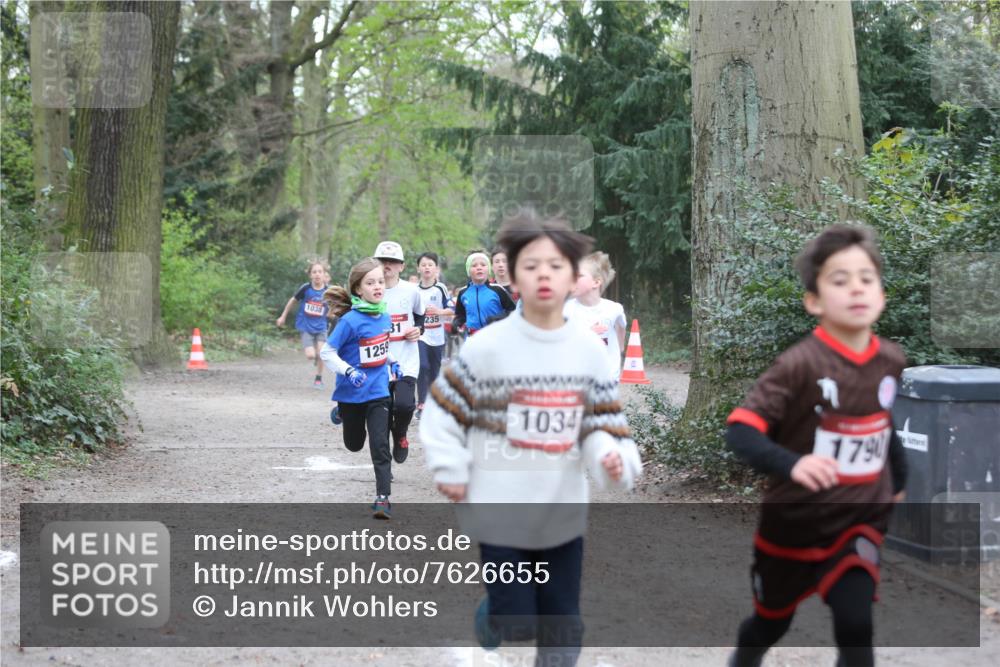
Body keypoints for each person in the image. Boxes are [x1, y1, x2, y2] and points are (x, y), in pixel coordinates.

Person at [420, 210, 642, 666]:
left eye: (556, 265)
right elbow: (443, 411)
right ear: (513, 279)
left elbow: (603, 424)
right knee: (518, 620)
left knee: (562, 620)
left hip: (562, 511)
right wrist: (450, 467)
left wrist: (612, 458)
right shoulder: (488, 348)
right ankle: (498, 612)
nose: (544, 274)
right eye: (531, 265)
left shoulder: (588, 351)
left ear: (573, 279)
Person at [725, 224, 908, 667]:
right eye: (840, 280)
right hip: (792, 525)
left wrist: (900, 481)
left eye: (866, 278)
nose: (856, 288)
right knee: (770, 623)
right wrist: (793, 464)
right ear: (814, 301)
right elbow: (741, 431)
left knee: (855, 626)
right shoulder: (798, 365)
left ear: (881, 295)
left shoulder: (891, 359)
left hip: (859, 521)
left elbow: (882, 423)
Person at [320, 258, 400, 520]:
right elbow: (327, 352)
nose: (378, 286)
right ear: (358, 289)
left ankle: (382, 498)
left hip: (378, 390)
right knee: (354, 444)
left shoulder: (384, 315)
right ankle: (342, 413)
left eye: (380, 281)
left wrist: (392, 362)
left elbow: (380, 347)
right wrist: (349, 371)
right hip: (351, 393)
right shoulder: (350, 322)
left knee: (380, 444)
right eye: (370, 283)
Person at [373, 241, 424, 465]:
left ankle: (401, 433)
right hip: (378, 361)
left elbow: (420, 316)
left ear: (401, 266)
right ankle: (384, 469)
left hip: (406, 359)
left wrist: (418, 329)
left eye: (393, 262)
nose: (387, 265)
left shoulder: (411, 291)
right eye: (383, 261)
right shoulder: (369, 291)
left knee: (404, 406)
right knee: (381, 415)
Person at [564, 251, 627, 382]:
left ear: (596, 282)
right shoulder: (565, 310)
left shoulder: (614, 309)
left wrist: (620, 348)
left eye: (579, 275)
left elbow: (621, 326)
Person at [276, 261, 330, 388]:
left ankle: (318, 379)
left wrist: (332, 313)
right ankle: (316, 357)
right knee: (311, 355)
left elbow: (335, 306)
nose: (317, 274)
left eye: (320, 272)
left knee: (322, 353)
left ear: (324, 274)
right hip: (306, 326)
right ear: (310, 275)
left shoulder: (328, 291)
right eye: (314, 272)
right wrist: (283, 316)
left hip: (321, 326)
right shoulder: (306, 288)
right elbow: (293, 301)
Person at [415, 252, 453, 420]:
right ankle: (422, 404)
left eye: (430, 265)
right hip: (421, 335)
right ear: (418, 268)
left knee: (434, 371)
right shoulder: (414, 290)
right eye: (423, 265)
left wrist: (439, 311)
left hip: (437, 336)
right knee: (422, 366)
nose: (427, 268)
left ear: (436, 268)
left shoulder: (440, 288)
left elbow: (451, 310)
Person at [453, 250, 516, 336]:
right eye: (474, 265)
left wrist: (497, 318)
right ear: (468, 270)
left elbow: (513, 311)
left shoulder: (498, 289)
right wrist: (456, 322)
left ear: (488, 269)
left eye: (483, 265)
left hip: (496, 335)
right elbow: (461, 315)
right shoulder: (463, 292)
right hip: (472, 337)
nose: (479, 268)